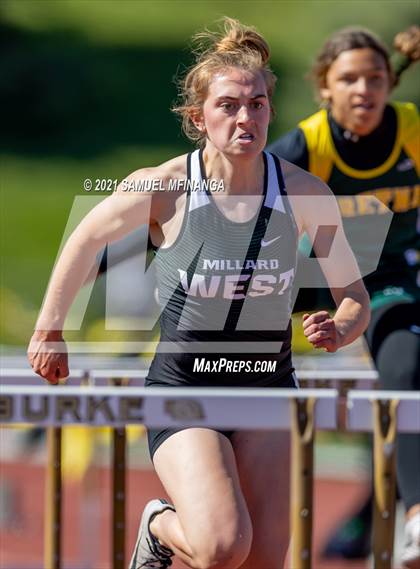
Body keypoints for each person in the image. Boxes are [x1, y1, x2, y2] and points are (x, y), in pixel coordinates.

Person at [28, 18, 370, 569]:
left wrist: (341, 324)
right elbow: (86, 239)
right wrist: (50, 328)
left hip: (266, 385)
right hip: (185, 386)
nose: (246, 118)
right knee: (220, 546)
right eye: (230, 105)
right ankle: (160, 526)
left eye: (257, 104)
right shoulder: (164, 185)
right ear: (198, 117)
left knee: (260, 560)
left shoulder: (306, 194)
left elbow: (354, 295)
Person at [269, 25, 420, 568]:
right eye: (349, 79)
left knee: (404, 361)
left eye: (375, 78)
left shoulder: (412, 130)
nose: (364, 89)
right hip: (314, 274)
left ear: (389, 84)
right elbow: (236, 198)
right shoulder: (309, 143)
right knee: (237, 320)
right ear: (325, 88)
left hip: (389, 278)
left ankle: (416, 518)